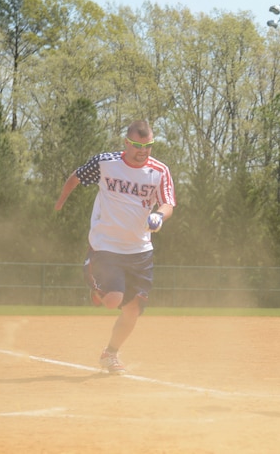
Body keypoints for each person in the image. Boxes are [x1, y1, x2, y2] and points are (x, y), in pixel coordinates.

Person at [54, 120, 176, 375]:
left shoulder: (159, 171)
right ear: (126, 143)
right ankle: (98, 289)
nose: (143, 151)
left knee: (133, 311)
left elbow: (168, 203)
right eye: (137, 145)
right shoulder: (106, 163)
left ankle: (110, 353)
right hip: (106, 246)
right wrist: (61, 201)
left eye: (148, 146)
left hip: (140, 251)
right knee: (113, 301)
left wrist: (159, 216)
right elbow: (75, 178)